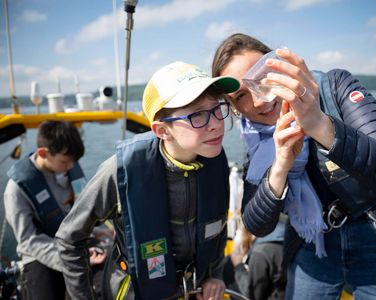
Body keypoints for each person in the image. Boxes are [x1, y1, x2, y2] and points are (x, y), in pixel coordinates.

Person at [212, 33, 376, 300]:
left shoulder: (334, 88)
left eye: (261, 79)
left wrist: (322, 126)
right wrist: (280, 167)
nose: (259, 100)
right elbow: (256, 223)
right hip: (313, 244)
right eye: (240, 96)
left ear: (279, 65)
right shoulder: (256, 139)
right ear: (234, 107)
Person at [55, 61, 240, 300]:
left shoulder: (214, 160)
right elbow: (69, 238)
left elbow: (217, 226)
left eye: (217, 109)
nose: (216, 124)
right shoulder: (121, 171)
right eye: (198, 116)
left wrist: (215, 274)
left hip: (193, 289)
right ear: (162, 130)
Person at [3, 120, 107, 300]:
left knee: (107, 284)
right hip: (40, 253)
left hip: (77, 242)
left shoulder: (69, 168)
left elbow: (82, 211)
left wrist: (97, 231)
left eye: (74, 161)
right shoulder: (16, 191)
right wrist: (72, 261)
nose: (71, 167)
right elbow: (29, 240)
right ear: (43, 153)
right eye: (65, 161)